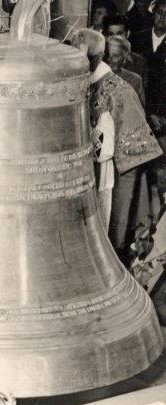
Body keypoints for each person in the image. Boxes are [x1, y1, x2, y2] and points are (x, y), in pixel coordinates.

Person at [71, 28, 161, 260]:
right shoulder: (77, 82)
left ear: (98, 57)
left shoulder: (118, 89)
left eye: (83, 58)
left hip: (108, 173)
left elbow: (134, 151)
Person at [131, 0, 166, 200]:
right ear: (153, 14)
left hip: (162, 118)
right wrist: (147, 113)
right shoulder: (137, 38)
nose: (163, 17)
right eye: (160, 12)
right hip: (139, 113)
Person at [105, 34, 146, 106]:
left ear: (124, 59)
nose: (110, 59)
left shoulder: (135, 80)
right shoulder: (96, 77)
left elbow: (140, 111)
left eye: (115, 56)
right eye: (108, 55)